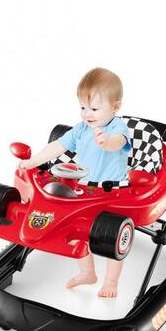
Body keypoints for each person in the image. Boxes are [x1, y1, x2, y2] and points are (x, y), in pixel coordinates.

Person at [19, 67, 131, 298]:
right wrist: (33, 161)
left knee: (111, 237)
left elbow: (119, 142)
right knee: (74, 230)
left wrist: (106, 142)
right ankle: (88, 272)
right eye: (82, 107)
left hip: (112, 192)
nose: (87, 114)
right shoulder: (80, 129)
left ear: (115, 107)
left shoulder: (116, 127)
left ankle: (111, 282)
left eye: (94, 108)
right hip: (83, 189)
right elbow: (57, 146)